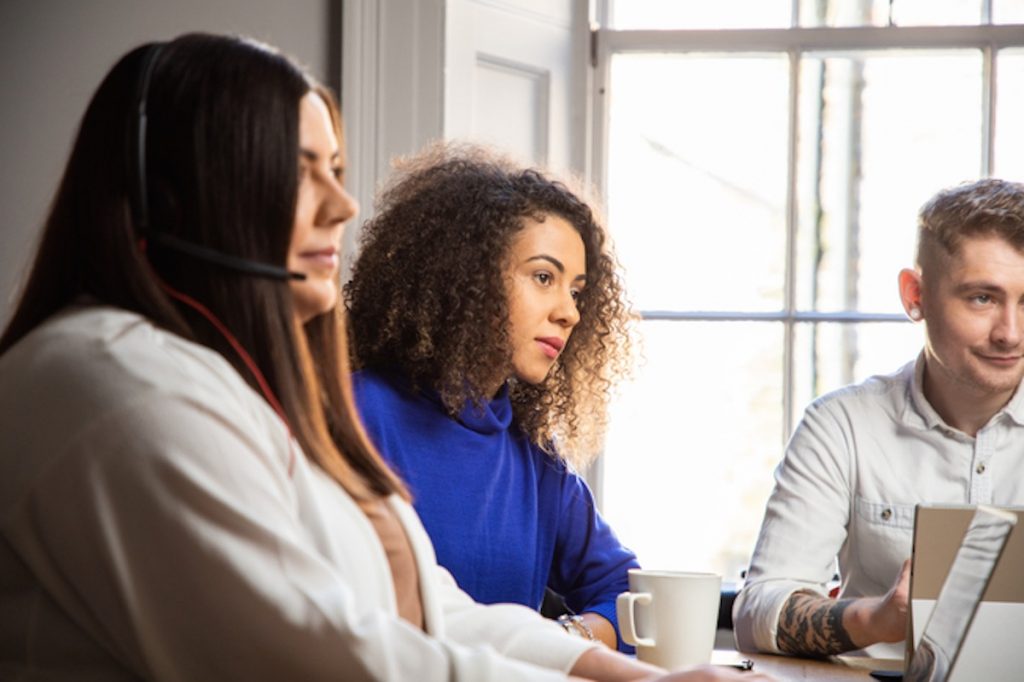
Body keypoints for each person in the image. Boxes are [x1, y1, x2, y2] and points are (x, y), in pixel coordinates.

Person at [0, 32, 769, 682]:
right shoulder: (113, 385)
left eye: (335, 171)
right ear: (179, 192)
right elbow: (322, 652)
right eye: (302, 171)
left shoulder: (232, 387)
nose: (343, 205)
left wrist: (637, 678)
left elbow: (434, 609)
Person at [344, 143, 640, 652]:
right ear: (468, 275)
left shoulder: (536, 458)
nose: (569, 312)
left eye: (577, 290)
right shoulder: (361, 414)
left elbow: (628, 593)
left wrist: (558, 640)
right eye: (544, 278)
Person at [733, 178, 1024, 660]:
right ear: (915, 295)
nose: (1010, 334)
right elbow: (756, 612)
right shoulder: (842, 425)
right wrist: (879, 617)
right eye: (982, 298)